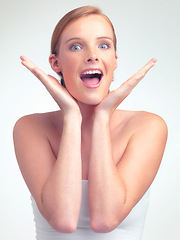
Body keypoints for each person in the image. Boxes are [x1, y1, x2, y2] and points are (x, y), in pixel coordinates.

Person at [13, 5, 168, 240]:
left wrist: (102, 117)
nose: (92, 55)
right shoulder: (30, 128)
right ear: (56, 64)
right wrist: (72, 117)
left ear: (114, 60)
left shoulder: (148, 127)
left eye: (103, 45)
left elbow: (105, 219)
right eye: (76, 46)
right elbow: (62, 221)